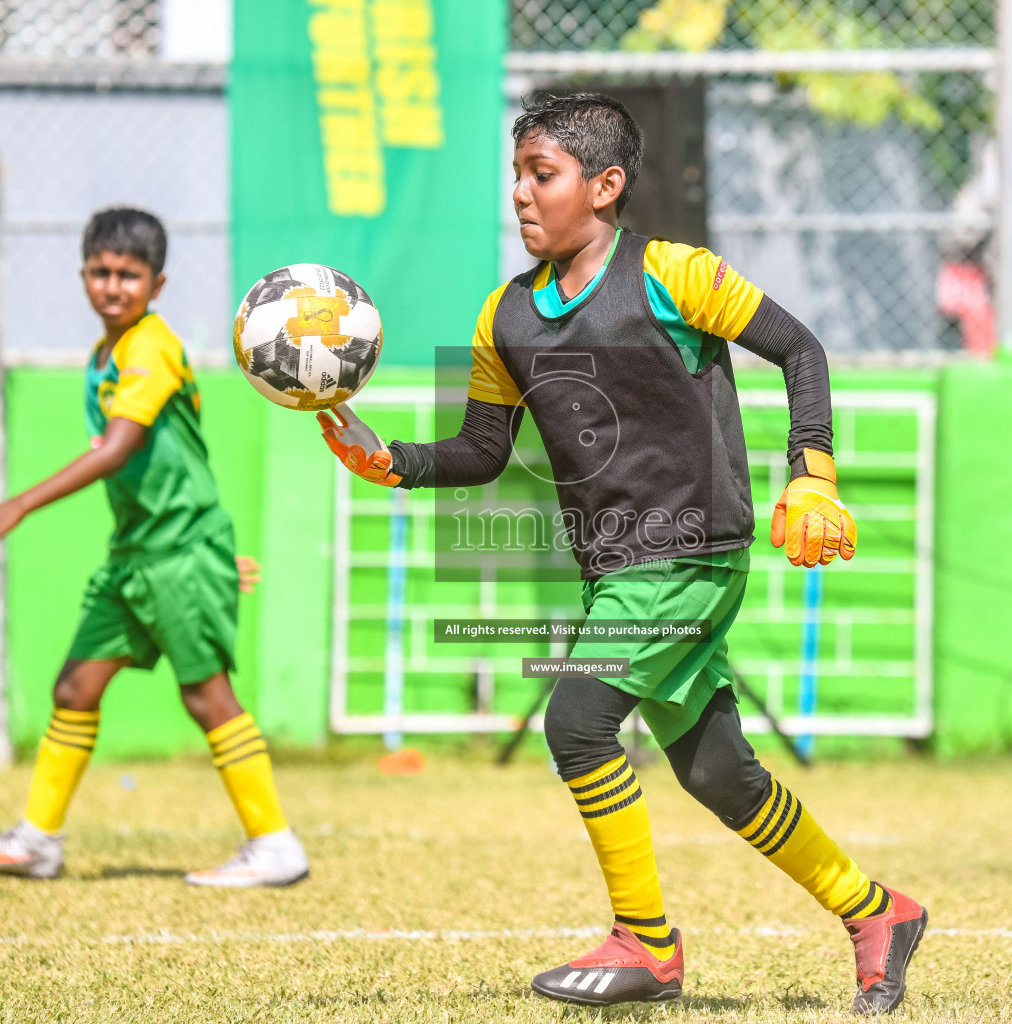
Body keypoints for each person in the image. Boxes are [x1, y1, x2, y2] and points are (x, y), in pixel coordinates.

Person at [318, 93, 926, 1013]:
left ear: (605, 187)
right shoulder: (505, 318)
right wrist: (392, 461)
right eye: (516, 175)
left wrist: (814, 474)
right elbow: (483, 453)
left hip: (690, 556)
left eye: (542, 175)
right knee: (718, 772)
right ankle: (877, 912)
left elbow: (801, 350)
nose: (521, 195)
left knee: (577, 722)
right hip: (618, 570)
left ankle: (647, 946)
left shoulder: (675, 275)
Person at [0, 207, 308, 887]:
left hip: (178, 551)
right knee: (75, 687)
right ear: (84, 275)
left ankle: (276, 845)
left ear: (156, 283)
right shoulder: (102, 356)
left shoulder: (150, 346)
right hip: (136, 555)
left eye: (128, 275)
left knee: (207, 697)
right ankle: (37, 841)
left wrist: (17, 505)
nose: (113, 286)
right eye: (101, 272)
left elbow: (118, 450)